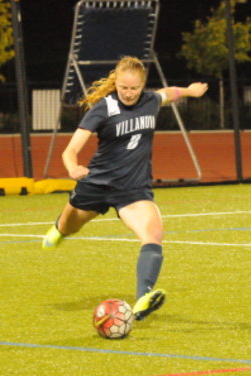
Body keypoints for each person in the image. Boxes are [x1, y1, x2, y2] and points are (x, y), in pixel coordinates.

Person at [42, 56, 208, 321]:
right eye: (123, 88)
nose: (129, 93)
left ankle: (143, 299)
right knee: (68, 226)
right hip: (97, 184)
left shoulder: (151, 101)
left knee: (153, 236)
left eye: (134, 88)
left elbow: (168, 93)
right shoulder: (103, 108)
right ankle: (60, 229)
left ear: (143, 85)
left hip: (132, 188)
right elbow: (70, 150)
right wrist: (73, 168)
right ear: (116, 83)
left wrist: (189, 91)